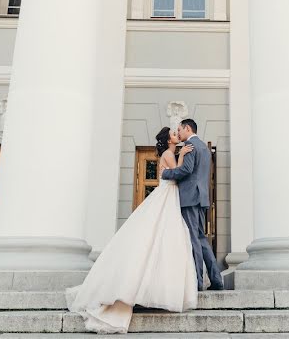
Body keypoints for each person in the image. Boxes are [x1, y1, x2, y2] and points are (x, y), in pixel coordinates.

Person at [66, 127, 198, 334]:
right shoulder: (168, 154)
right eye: (173, 133)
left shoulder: (169, 152)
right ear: (169, 140)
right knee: (157, 238)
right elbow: (176, 174)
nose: (176, 135)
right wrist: (182, 155)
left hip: (168, 197)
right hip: (167, 196)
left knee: (165, 239)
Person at [160, 118, 224, 291]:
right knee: (201, 238)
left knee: (194, 239)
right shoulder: (204, 147)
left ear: (187, 128)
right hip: (201, 197)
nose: (178, 133)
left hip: (190, 198)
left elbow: (186, 170)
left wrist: (165, 173)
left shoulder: (190, 146)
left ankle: (197, 282)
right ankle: (216, 280)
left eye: (179, 130)